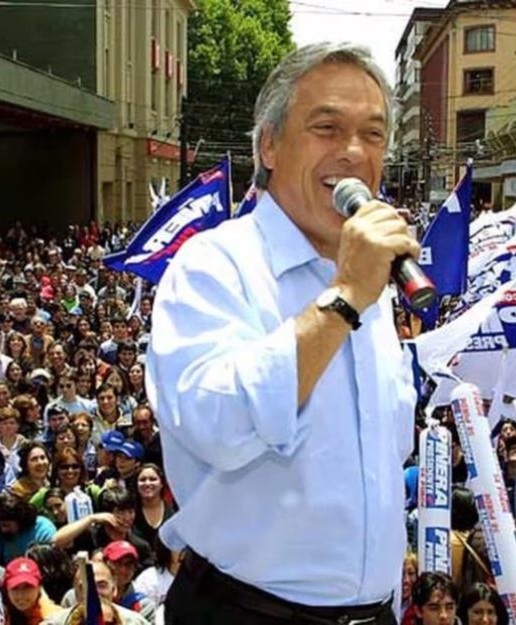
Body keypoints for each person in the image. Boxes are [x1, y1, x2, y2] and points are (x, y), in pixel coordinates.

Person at [147, 42, 416, 624]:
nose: (352, 152)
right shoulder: (214, 265)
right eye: (326, 127)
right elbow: (216, 425)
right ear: (268, 144)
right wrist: (342, 300)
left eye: (373, 135)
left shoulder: (372, 281)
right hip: (248, 613)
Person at [1, 557, 61, 625]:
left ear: (39, 587)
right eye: (15, 588)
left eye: (27, 587)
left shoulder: (55, 618)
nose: (21, 595)